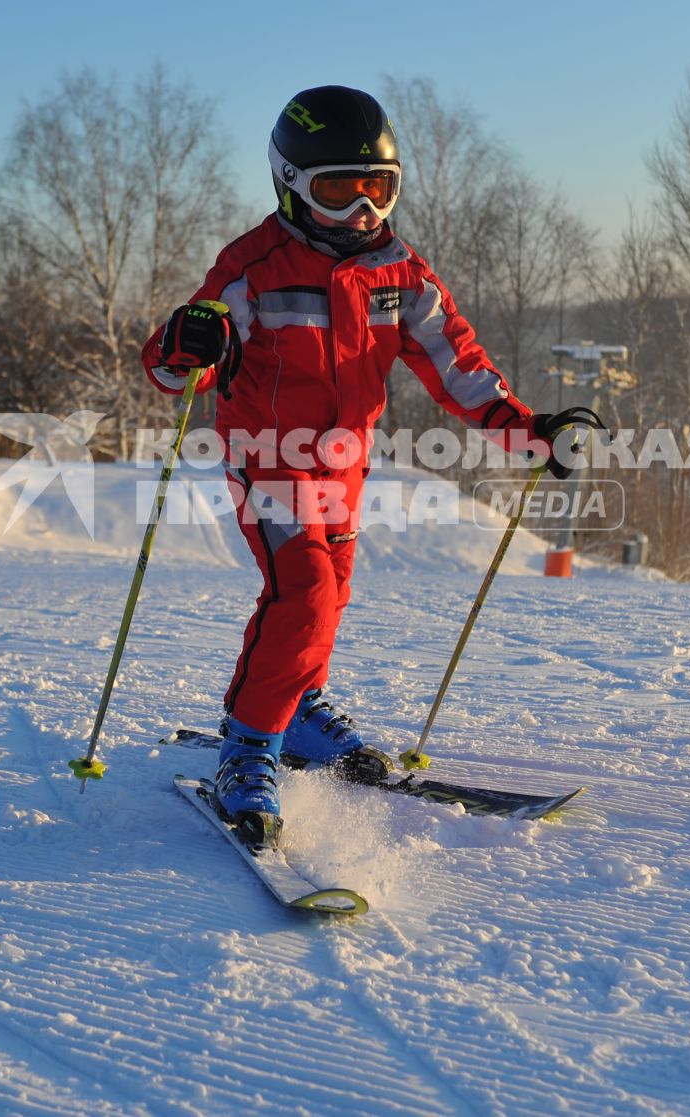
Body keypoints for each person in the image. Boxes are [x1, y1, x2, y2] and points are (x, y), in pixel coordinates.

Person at [143, 85, 589, 848]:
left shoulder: (397, 271)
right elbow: (181, 365)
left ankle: (300, 705)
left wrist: (529, 430)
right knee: (305, 591)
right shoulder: (253, 267)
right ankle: (249, 744)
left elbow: (458, 362)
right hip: (269, 457)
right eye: (339, 190)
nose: (363, 212)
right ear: (290, 184)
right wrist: (187, 344)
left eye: (378, 189)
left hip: (342, 466)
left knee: (330, 593)